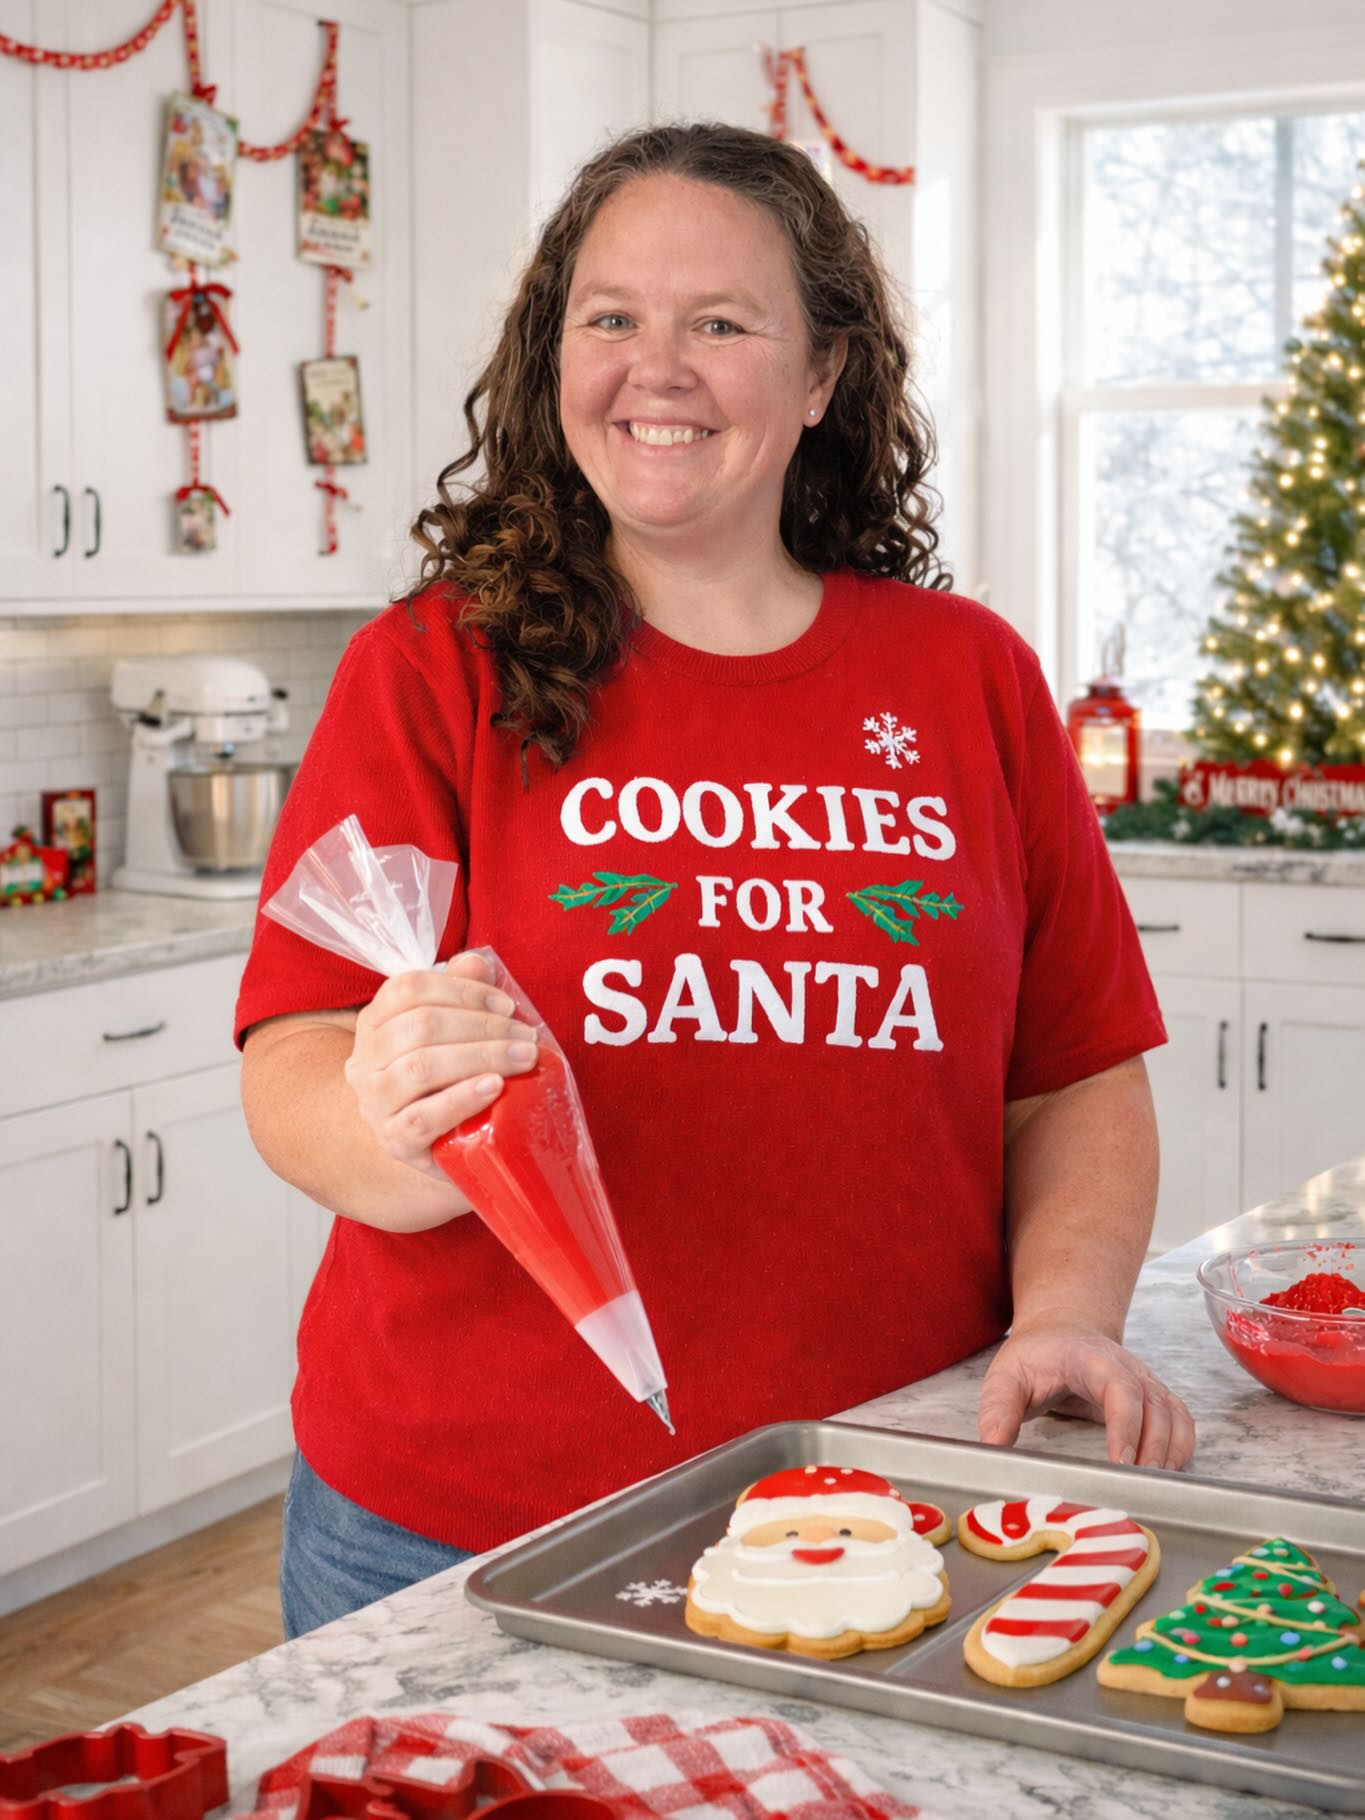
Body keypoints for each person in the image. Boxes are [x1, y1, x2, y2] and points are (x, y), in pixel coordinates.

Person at [237, 121, 1194, 1640]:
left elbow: (1072, 1074)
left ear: (821, 378)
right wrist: (392, 1122)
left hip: (885, 1491)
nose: (654, 369)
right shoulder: (431, 668)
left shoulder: (968, 682)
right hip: (447, 1521)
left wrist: (1065, 1316)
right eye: (608, 318)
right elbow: (294, 1049)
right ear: (556, 362)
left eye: (720, 324)